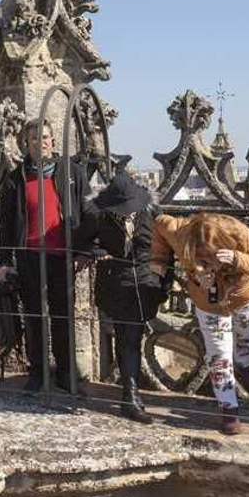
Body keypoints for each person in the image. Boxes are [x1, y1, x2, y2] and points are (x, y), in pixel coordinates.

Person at [151, 211, 249, 435]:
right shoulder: (178, 230)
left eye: (211, 256)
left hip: (243, 296)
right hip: (208, 301)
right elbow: (158, 224)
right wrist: (159, 260)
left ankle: (243, 367)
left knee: (245, 338)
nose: (207, 263)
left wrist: (237, 259)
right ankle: (229, 410)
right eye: (200, 257)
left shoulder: (238, 232)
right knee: (219, 355)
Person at [0, 121, 85, 395]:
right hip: (29, 257)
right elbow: (6, 223)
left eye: (45, 137)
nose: (41, 142)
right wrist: (4, 261)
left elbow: (86, 212)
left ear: (53, 141)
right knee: (34, 317)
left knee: (63, 317)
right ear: (27, 143)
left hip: (62, 257)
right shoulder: (15, 179)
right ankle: (37, 372)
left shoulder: (72, 173)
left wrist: (84, 250)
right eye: (35, 138)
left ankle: (66, 374)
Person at [75, 169, 167, 423]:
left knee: (131, 337)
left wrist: (163, 285)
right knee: (126, 337)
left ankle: (130, 396)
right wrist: (96, 250)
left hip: (143, 283)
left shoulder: (151, 212)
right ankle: (130, 397)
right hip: (115, 283)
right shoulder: (99, 215)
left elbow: (165, 249)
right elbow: (79, 240)